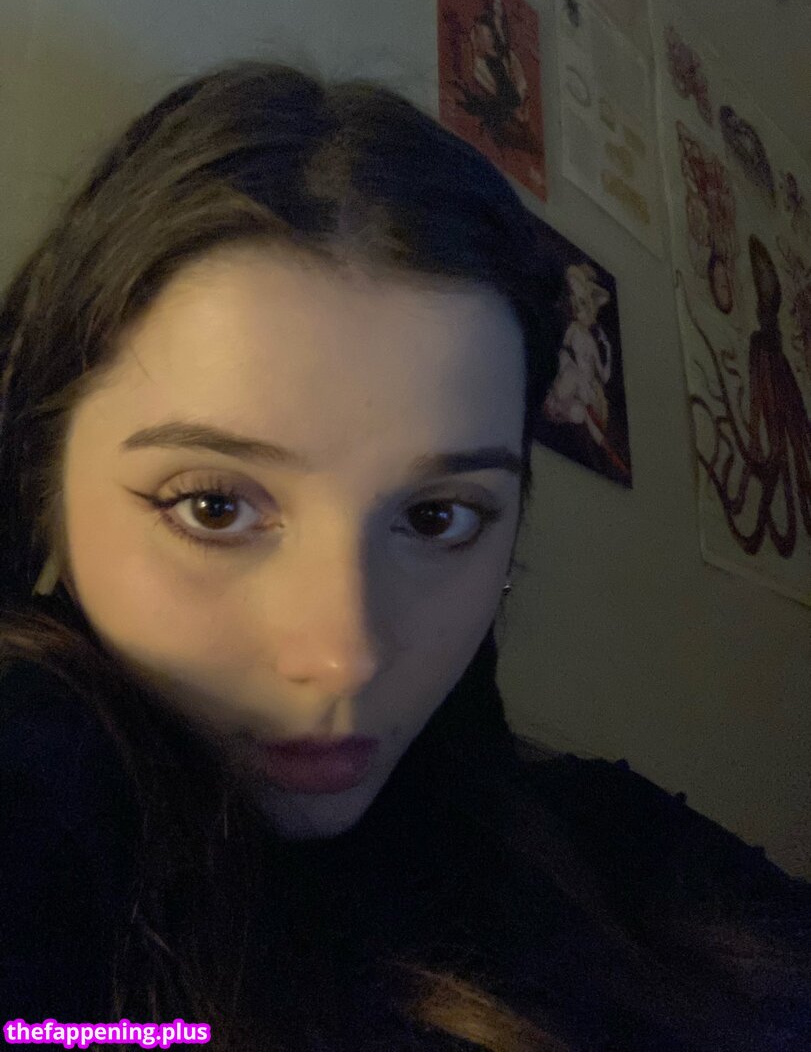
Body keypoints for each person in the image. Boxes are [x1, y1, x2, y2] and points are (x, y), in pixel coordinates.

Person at [0, 61, 808, 1052]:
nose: (346, 657)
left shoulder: (621, 851)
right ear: (42, 486)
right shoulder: (38, 831)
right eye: (213, 507)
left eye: (436, 517)